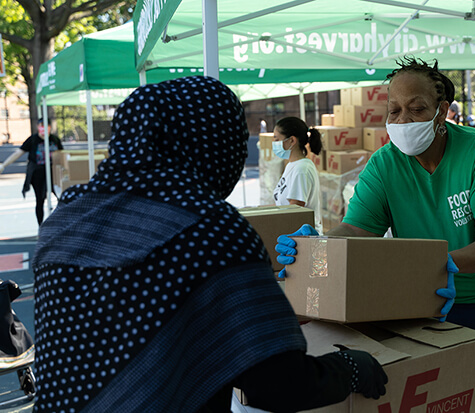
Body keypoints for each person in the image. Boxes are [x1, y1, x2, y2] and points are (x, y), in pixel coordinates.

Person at [31, 76, 387, 412]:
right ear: (214, 144)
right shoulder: (210, 232)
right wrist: (349, 368)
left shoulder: (64, 220)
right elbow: (277, 383)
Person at [276, 57, 475, 409]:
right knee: (456, 398)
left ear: (442, 111)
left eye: (416, 108)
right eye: (394, 110)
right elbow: (358, 229)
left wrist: (435, 264)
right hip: (441, 300)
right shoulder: (385, 164)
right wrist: (318, 245)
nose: (403, 120)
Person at [0, 119, 63, 225]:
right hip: (37, 174)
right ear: (38, 127)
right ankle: (41, 225)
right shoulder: (33, 140)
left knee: (59, 197)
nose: (44, 128)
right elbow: (18, 153)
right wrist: (4, 165)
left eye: (46, 126)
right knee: (40, 199)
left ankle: (58, 222)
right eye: (41, 126)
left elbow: (62, 154)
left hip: (53, 173)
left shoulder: (54, 140)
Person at [272, 117, 324, 234]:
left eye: (277, 140)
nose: (275, 144)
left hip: (304, 239)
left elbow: (294, 212)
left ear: (292, 141)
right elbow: (282, 205)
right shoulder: (292, 165)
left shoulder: (301, 169)